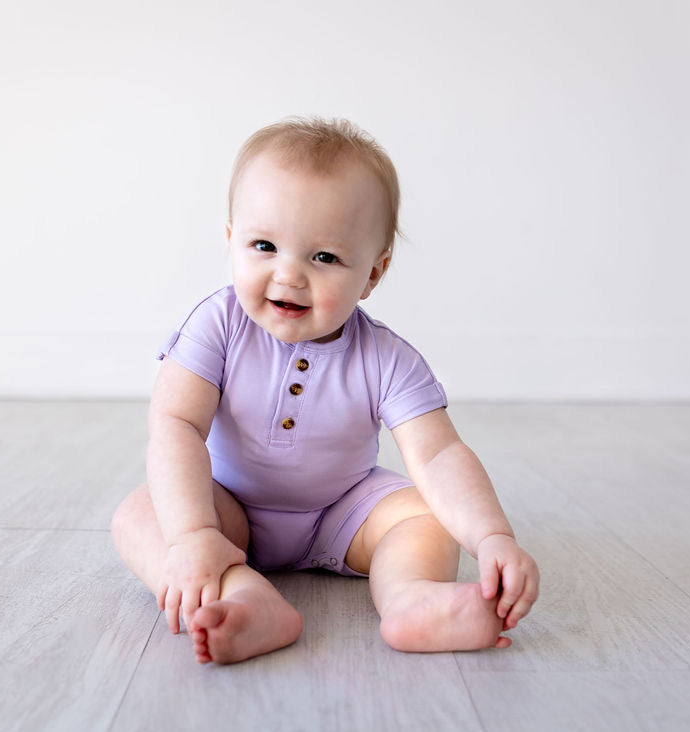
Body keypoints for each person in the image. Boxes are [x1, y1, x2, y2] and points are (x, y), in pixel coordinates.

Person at [111, 117, 539, 664]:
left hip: (342, 512)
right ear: (230, 242)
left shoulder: (387, 358)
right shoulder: (217, 324)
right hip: (228, 507)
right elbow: (176, 425)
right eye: (264, 245)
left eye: (324, 258)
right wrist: (194, 532)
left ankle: (410, 598)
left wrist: (492, 537)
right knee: (139, 515)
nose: (288, 275)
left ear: (373, 274)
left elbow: (438, 453)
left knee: (424, 516)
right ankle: (244, 597)